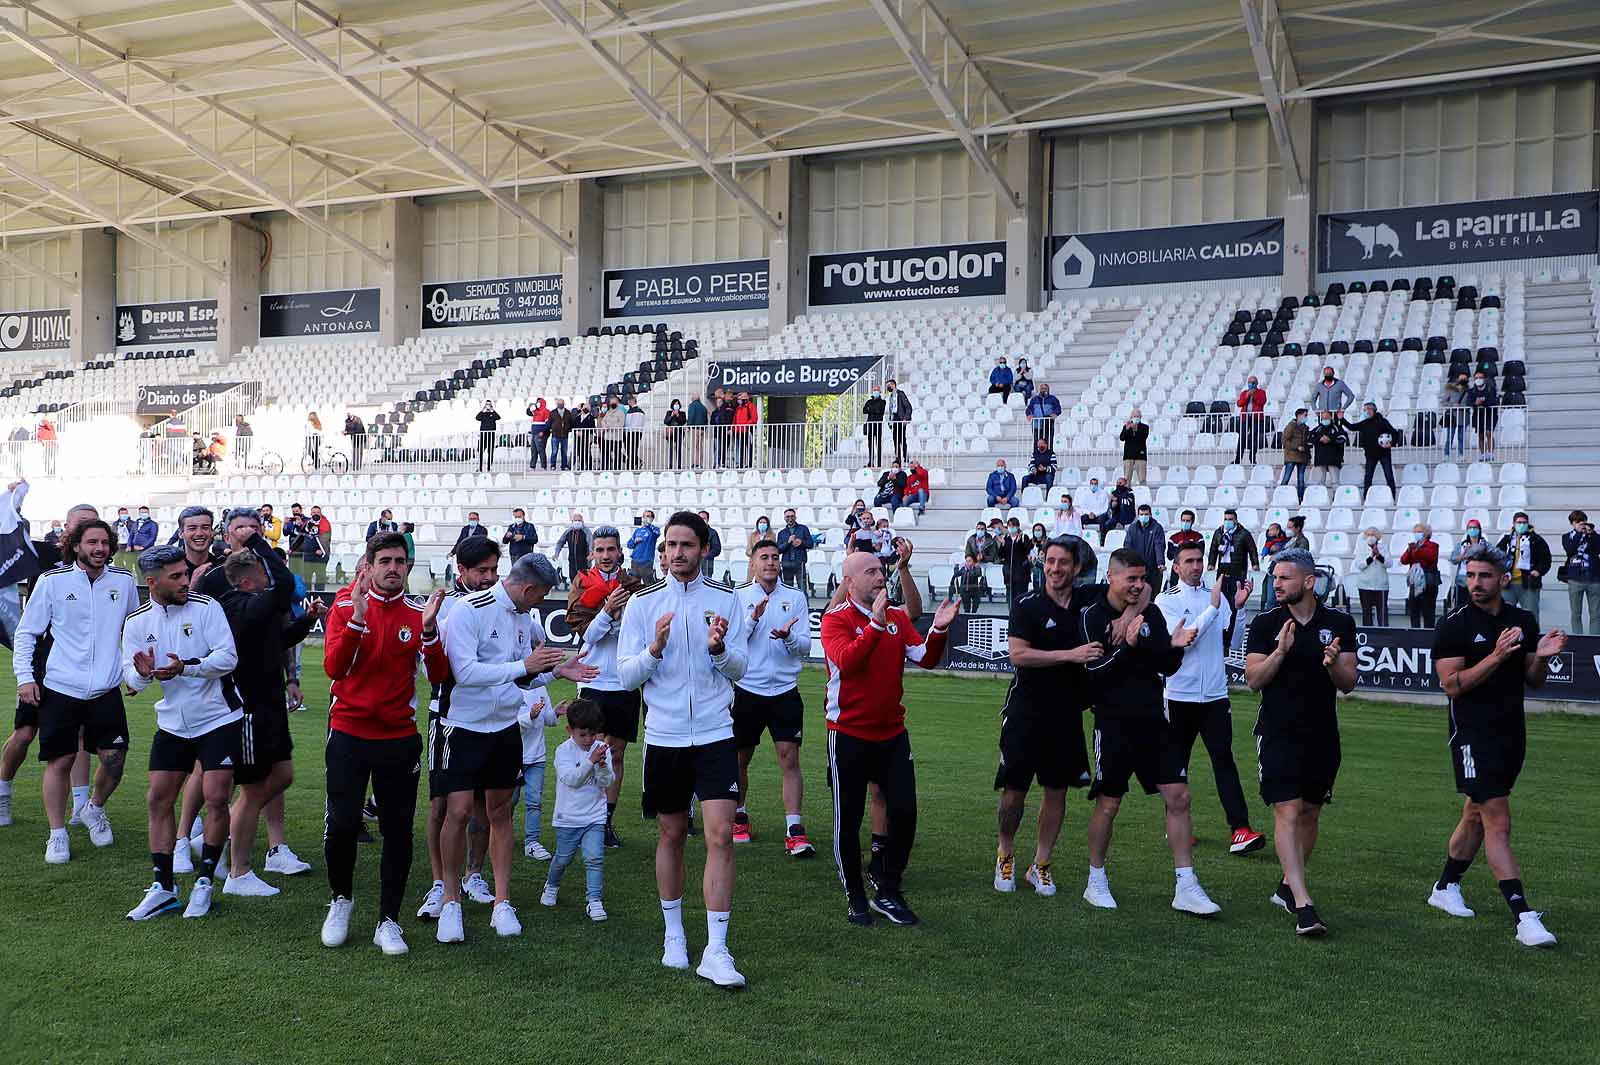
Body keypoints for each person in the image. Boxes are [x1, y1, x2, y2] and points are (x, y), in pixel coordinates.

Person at [616, 511, 750, 986]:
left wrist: (719, 651)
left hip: (715, 734)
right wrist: (653, 649)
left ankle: (717, 948)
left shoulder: (727, 601)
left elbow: (741, 669)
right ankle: (674, 934)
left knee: (719, 836)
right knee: (671, 835)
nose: (677, 553)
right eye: (670, 545)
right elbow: (625, 675)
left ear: (704, 549)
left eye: (686, 545)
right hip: (665, 738)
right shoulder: (642, 604)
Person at [434, 553, 596, 944]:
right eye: (540, 595)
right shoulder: (468, 610)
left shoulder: (526, 619)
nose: (541, 602)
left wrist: (555, 672)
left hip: (505, 729)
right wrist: (524, 666)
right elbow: (465, 674)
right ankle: (451, 902)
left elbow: (519, 682)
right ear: (527, 588)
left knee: (500, 813)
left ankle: (501, 903)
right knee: (456, 813)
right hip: (463, 726)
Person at [1428, 544, 1565, 947]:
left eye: (1484, 576)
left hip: (1511, 734)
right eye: (1470, 575)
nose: (1475, 583)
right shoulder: (1452, 624)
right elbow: (1453, 686)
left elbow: (1533, 679)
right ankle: (1524, 916)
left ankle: (1444, 887)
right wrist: (1495, 655)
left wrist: (1539, 656)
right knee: (1497, 822)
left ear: (1503, 579)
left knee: (1475, 814)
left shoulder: (1522, 619)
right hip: (1472, 734)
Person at [320, 534, 451, 954]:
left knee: (397, 830)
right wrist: (358, 620)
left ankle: (388, 920)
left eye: (400, 561)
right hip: (348, 733)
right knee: (341, 825)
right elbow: (333, 668)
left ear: (408, 568)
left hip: (398, 739)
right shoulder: (344, 605)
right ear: (369, 566)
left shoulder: (417, 613)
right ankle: (341, 899)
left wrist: (429, 632)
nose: (394, 568)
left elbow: (441, 677)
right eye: (385, 561)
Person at [1077, 549, 1220, 916]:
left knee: (1180, 796)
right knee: (1109, 803)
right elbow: (1094, 678)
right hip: (1113, 723)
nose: (1139, 586)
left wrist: (1174, 646)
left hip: (1155, 720)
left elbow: (1165, 666)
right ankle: (1096, 880)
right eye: (1132, 579)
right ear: (1112, 576)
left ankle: (1186, 885)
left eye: (1143, 579)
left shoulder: (1151, 612)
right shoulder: (1092, 617)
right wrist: (1125, 645)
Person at [821, 550, 956, 926]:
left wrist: (940, 628)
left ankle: (888, 888)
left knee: (905, 812)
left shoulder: (896, 616)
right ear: (849, 582)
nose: (880, 576)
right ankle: (855, 894)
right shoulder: (835, 619)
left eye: (881, 570)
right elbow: (847, 661)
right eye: (870, 571)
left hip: (892, 734)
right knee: (848, 819)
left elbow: (926, 658)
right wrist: (875, 626)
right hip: (847, 734)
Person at [121, 545, 240, 921]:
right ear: (152, 582)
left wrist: (185, 667)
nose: (185, 581)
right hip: (172, 721)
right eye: (176, 577)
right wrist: (141, 673)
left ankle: (204, 883)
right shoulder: (138, 622)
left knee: (216, 796)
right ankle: (164, 888)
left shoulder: (207, 607)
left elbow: (228, 657)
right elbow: (130, 679)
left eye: (185, 573)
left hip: (218, 716)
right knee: (158, 798)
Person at [1244, 548, 1357, 937]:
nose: (1276, 584)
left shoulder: (1339, 621)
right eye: (1274, 578)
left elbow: (1349, 684)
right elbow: (1254, 679)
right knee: (1288, 811)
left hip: (1322, 735)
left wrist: (1333, 665)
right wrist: (1280, 652)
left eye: (1284, 578)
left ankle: (1286, 887)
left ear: (1309, 582)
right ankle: (1304, 905)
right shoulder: (1264, 623)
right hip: (1277, 731)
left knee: (1309, 813)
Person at [13, 519, 138, 864]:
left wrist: (131, 671)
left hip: (106, 688)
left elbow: (134, 630)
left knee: (114, 760)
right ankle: (57, 834)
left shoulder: (124, 581)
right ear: (76, 546)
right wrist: (25, 677)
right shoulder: (52, 581)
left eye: (104, 543)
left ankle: (93, 809)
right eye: (92, 542)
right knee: (61, 760)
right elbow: (27, 632)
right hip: (61, 687)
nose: (99, 549)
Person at [992, 536, 1102, 898]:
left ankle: (1040, 865)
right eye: (1050, 561)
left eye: (1063, 562)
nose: (1055, 568)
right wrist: (1069, 655)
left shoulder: (1089, 602)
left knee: (1057, 791)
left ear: (1077, 567)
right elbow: (1019, 655)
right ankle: (1005, 854)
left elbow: (1138, 587)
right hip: (1026, 712)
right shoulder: (1027, 605)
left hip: (1067, 715)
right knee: (1014, 793)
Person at [215, 532, 323, 898]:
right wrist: (259, 543)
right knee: (253, 790)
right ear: (248, 580)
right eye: (262, 572)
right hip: (250, 714)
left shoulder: (252, 608)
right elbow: (283, 584)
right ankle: (237, 871)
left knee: (282, 774)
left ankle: (225, 838)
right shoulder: (240, 606)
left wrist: (306, 621)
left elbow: (279, 642)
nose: (269, 577)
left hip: (270, 709)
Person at [414, 537, 502, 922]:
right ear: (461, 571)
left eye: (493, 570)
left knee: (486, 805)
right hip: (447, 715)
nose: (488, 578)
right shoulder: (443, 605)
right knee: (444, 806)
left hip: (494, 720)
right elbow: (430, 665)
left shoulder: (506, 603)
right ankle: (439, 883)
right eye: (481, 571)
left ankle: (475, 874)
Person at [1158, 542, 1264, 855]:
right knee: (1177, 766)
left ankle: (1240, 829)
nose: (1195, 566)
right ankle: (1177, 827)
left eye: (1198, 560)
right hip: (1179, 696)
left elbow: (1231, 643)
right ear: (1176, 567)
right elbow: (1184, 641)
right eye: (1188, 561)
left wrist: (1239, 608)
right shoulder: (1167, 601)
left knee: (1224, 760)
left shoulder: (1214, 598)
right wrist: (1214, 609)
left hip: (1216, 696)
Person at [731, 539, 813, 853]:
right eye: (764, 557)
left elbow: (806, 647)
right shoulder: (738, 597)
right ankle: (739, 815)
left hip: (784, 691)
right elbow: (734, 641)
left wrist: (789, 636)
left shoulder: (795, 597)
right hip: (747, 690)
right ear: (752, 563)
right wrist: (754, 618)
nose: (770, 562)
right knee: (740, 758)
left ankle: (794, 827)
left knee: (789, 759)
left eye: (775, 557)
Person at [564, 525, 643, 849]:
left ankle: (606, 820)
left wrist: (614, 620)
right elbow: (588, 635)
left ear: (619, 552)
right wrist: (609, 612)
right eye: (600, 550)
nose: (606, 556)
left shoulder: (635, 585)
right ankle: (588, 817)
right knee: (591, 752)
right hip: (593, 680)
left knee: (618, 754)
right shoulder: (581, 583)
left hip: (625, 680)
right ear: (592, 554)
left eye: (611, 550)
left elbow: (638, 632)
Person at [540, 698, 614, 921]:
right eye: (583, 734)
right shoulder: (563, 751)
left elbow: (607, 782)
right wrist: (591, 762)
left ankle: (594, 901)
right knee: (563, 858)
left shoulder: (601, 749)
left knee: (594, 858)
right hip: (569, 817)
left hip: (595, 816)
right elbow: (571, 779)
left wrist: (601, 766)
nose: (589, 739)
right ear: (569, 730)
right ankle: (551, 886)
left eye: (593, 734)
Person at [1495, 512, 1550, 624]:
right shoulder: (1506, 540)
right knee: (1504, 616)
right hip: (1508, 584)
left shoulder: (1536, 540)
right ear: (1514, 524)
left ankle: (1532, 640)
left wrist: (1538, 571)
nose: (1522, 525)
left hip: (1528, 584)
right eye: (1519, 522)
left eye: (1524, 523)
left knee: (1531, 616)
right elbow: (1496, 557)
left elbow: (1546, 560)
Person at [1344, 402, 1400, 499]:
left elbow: (1395, 433)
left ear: (1373, 410)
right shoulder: (1364, 423)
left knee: (1389, 475)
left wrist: (1391, 443)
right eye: (1364, 410)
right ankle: (1366, 498)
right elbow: (1351, 427)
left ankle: (1392, 497)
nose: (1366, 412)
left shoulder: (1382, 421)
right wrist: (1341, 419)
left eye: (1367, 410)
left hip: (1384, 454)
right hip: (1370, 455)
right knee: (1368, 477)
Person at [1560, 510, 1599, 635]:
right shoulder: (1567, 537)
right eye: (1578, 522)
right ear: (1572, 523)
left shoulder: (1592, 536)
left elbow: (1599, 548)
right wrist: (1578, 534)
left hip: (1594, 578)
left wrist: (1591, 534)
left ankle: (1594, 641)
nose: (1582, 524)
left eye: (1583, 521)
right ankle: (1578, 638)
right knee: (1576, 613)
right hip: (1575, 578)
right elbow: (1570, 551)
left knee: (1596, 614)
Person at [1401, 523, 1441, 629]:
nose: (1417, 534)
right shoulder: (1413, 545)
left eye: (1419, 531)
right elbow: (1404, 560)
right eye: (1415, 532)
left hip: (1428, 582)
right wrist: (1410, 550)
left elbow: (1430, 558)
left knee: (1428, 612)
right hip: (1415, 583)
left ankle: (1428, 637)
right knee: (1414, 611)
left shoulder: (1433, 545)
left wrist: (1417, 550)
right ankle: (1415, 636)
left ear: (1426, 533)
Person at [1447, 520, 1486, 613]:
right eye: (1470, 528)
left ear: (1479, 530)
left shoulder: (1485, 545)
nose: (1472, 530)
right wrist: (1463, 555)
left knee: (1478, 608)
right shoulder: (1461, 545)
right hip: (1462, 580)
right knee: (1462, 608)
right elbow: (1453, 559)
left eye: (1475, 528)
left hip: (1478, 580)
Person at [1354, 527, 1389, 626]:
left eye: (1373, 535)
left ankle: (1383, 635)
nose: (1370, 537)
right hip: (1364, 585)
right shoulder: (1361, 547)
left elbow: (1389, 563)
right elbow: (1359, 565)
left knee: (1382, 613)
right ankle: (1368, 635)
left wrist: (1378, 556)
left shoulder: (1384, 547)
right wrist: (1370, 557)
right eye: (1368, 534)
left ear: (1377, 537)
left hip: (1381, 585)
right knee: (1366, 612)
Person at [1124, 504, 1165, 589]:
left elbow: (1159, 546)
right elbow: (1127, 546)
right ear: (1138, 516)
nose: (1144, 516)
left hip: (1153, 569)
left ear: (1150, 515)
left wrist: (1160, 562)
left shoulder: (1157, 528)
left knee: (1152, 596)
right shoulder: (1132, 528)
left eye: (1146, 514)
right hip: (1137, 569)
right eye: (1141, 514)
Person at [1465, 370, 1498, 461]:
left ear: (1484, 379)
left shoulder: (1491, 389)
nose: (1478, 380)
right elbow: (1469, 403)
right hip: (1478, 415)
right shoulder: (1472, 391)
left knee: (1489, 433)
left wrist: (1482, 403)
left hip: (1490, 414)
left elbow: (1493, 401)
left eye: (1480, 378)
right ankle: (1483, 454)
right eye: (1476, 378)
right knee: (1481, 435)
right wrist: (1476, 404)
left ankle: (1491, 454)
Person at [1310, 410, 1347, 488]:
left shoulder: (1337, 427)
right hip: (1320, 459)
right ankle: (1320, 497)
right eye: (1323, 418)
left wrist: (1330, 439)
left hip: (1333, 459)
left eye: (1326, 417)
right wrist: (1320, 439)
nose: (1325, 419)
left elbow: (1343, 438)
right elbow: (1310, 438)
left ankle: (1336, 497)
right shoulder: (1318, 428)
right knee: (1320, 482)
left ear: (1331, 417)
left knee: (1335, 481)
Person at [998, 519, 1033, 603]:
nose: (1011, 528)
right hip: (1009, 574)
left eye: (1013, 526)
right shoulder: (1006, 538)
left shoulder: (1024, 537)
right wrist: (1002, 544)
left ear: (1017, 527)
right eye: (1009, 526)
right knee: (1011, 597)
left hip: (1021, 573)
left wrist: (1019, 542)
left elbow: (1028, 550)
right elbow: (1001, 555)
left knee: (1021, 597)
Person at [1280, 408, 1310, 503]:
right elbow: (1285, 441)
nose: (1306, 417)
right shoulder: (1290, 426)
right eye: (1305, 415)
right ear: (1299, 416)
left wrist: (1308, 456)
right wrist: (1297, 447)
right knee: (1286, 478)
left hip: (1302, 457)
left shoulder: (1306, 428)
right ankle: (1280, 496)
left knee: (1301, 480)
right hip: (1291, 456)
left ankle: (1300, 498)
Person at [1236, 375, 1268, 463]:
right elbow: (1239, 403)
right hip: (1245, 418)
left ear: (1257, 384)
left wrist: (1254, 395)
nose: (1251, 384)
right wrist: (1247, 395)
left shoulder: (1261, 392)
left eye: (1253, 382)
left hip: (1256, 418)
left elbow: (1261, 402)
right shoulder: (1244, 393)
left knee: (1254, 438)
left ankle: (1252, 458)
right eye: (1250, 382)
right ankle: (1238, 459)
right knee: (1241, 438)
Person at [777, 509, 812, 589]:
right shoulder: (781, 533)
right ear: (784, 518)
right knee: (787, 589)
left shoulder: (803, 529)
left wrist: (801, 543)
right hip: (786, 563)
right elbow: (778, 550)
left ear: (795, 517)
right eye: (787, 516)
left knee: (802, 588)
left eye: (792, 516)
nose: (790, 518)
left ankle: (804, 602)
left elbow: (810, 544)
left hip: (800, 562)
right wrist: (788, 542)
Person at [553, 512, 590, 585]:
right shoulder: (568, 531)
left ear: (582, 522)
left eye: (579, 520)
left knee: (584, 583)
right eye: (575, 520)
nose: (577, 522)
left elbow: (591, 543)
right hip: (572, 562)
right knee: (573, 581)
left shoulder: (586, 532)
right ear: (572, 522)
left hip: (584, 562)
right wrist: (556, 553)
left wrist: (591, 554)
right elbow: (560, 542)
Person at [1099, 477, 1136, 544]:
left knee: (1108, 524)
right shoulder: (1114, 492)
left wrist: (1117, 499)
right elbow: (1112, 506)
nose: (1118, 485)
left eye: (1120, 483)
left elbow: (1126, 503)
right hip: (1116, 514)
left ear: (1125, 484)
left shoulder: (1129, 492)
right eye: (1117, 483)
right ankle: (1102, 540)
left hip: (1127, 515)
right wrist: (1112, 505)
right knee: (1102, 518)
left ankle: (1107, 541)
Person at [1442, 371, 1471, 459]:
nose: (1463, 380)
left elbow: (1470, 403)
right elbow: (1443, 402)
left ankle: (1461, 455)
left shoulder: (1469, 390)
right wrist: (1452, 405)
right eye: (1461, 378)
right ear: (1458, 379)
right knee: (1449, 436)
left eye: (1465, 379)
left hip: (1463, 416)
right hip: (1452, 416)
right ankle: (1446, 454)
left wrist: (1461, 406)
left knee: (1461, 437)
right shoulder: (1450, 389)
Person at [884, 379, 912, 464]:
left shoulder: (900, 394)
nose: (887, 387)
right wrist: (890, 421)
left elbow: (908, 407)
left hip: (900, 419)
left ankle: (905, 458)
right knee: (895, 440)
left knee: (902, 440)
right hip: (894, 419)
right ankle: (898, 459)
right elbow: (891, 409)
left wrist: (905, 419)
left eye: (888, 385)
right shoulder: (891, 396)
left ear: (893, 385)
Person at [627, 510, 661, 583]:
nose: (645, 518)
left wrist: (648, 525)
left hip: (647, 561)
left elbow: (657, 533)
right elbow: (629, 544)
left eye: (648, 516)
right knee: (634, 584)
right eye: (644, 516)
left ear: (652, 519)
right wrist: (635, 541)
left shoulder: (653, 530)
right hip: (635, 561)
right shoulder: (637, 531)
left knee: (648, 584)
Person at [1119, 409, 1149, 486]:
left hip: (1140, 456)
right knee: (1126, 479)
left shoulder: (1145, 427)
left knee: (1142, 478)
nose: (1136, 418)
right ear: (1131, 417)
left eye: (1138, 416)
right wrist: (1127, 429)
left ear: (1141, 417)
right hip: (1128, 455)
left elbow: (1143, 438)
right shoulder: (1127, 426)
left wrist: (1135, 429)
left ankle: (1143, 493)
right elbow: (1122, 438)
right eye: (1134, 416)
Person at [733, 392, 758, 468]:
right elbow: (735, 420)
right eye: (738, 399)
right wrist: (733, 429)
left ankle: (750, 464)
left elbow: (754, 418)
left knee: (749, 448)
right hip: (739, 431)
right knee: (741, 448)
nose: (739, 400)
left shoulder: (750, 407)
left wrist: (746, 424)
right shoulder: (738, 408)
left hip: (747, 431)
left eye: (740, 399)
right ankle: (740, 464)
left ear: (745, 399)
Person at [547, 398, 573, 471]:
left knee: (564, 452)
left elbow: (571, 422)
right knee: (554, 451)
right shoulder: (552, 413)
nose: (561, 405)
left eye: (562, 403)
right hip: (555, 435)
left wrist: (568, 429)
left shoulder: (568, 412)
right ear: (557, 404)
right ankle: (553, 465)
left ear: (564, 404)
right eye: (559, 403)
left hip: (565, 435)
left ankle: (564, 465)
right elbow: (549, 423)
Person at [475, 401, 501, 472]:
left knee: (490, 452)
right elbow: (477, 417)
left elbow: (498, 417)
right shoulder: (483, 414)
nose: (488, 406)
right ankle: (479, 467)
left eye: (489, 405)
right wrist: (482, 410)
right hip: (483, 435)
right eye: (487, 404)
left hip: (491, 435)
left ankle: (489, 467)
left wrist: (493, 410)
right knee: (480, 451)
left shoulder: (493, 414)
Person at [685, 393, 708, 468]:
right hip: (702, 429)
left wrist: (688, 426)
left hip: (695, 428)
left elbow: (691, 416)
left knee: (695, 447)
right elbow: (706, 419)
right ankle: (700, 464)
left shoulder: (692, 405)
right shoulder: (703, 407)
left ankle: (695, 463)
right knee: (700, 447)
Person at [526, 397, 551, 469]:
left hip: (540, 434)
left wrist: (543, 432)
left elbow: (548, 424)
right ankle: (532, 466)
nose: (537, 404)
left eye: (539, 403)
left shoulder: (546, 411)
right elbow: (528, 413)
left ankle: (543, 466)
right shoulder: (535, 411)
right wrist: (529, 407)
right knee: (533, 450)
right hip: (534, 433)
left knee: (540, 450)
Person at [664, 400, 687, 469]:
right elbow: (666, 421)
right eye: (675, 404)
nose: (676, 405)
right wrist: (671, 416)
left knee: (678, 448)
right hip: (671, 432)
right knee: (670, 448)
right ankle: (670, 465)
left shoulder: (682, 413)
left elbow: (683, 422)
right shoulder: (669, 412)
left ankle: (679, 465)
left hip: (679, 432)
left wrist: (678, 415)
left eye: (677, 404)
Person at [699, 510, 722, 582]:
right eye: (699, 518)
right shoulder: (692, 532)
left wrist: (705, 556)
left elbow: (717, 549)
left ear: (707, 520)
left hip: (706, 565)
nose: (701, 520)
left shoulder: (713, 533)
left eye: (704, 518)